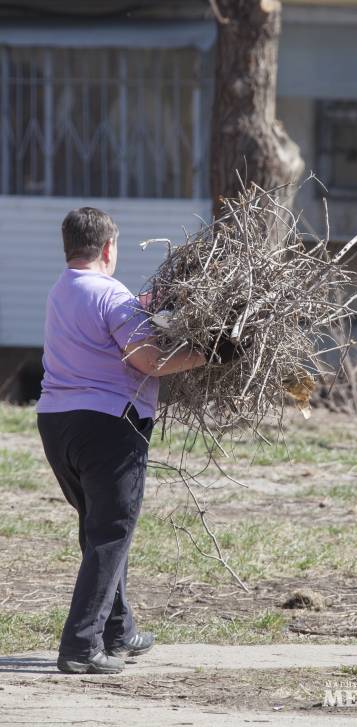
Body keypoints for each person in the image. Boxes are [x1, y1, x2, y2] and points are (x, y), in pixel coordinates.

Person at [36, 207, 207, 675]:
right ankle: (80, 646)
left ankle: (119, 630)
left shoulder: (60, 290)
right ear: (109, 248)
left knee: (98, 527)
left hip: (56, 423)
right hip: (108, 425)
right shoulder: (112, 294)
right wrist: (205, 354)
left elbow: (102, 334)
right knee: (112, 533)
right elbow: (148, 361)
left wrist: (146, 303)